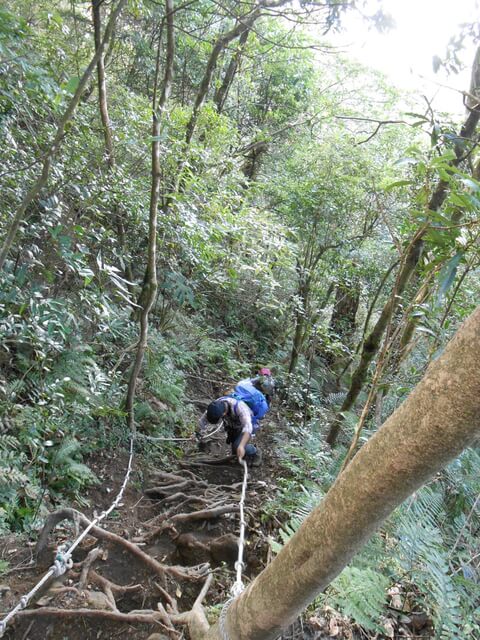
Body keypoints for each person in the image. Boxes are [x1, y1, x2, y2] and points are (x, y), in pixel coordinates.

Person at [197, 395, 263, 466]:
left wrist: (241, 446)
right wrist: (197, 433)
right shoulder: (216, 405)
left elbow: (248, 428)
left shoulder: (240, 408)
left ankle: (255, 451)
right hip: (233, 425)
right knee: (236, 451)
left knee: (238, 446)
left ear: (224, 413)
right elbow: (203, 421)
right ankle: (240, 455)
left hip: (247, 426)